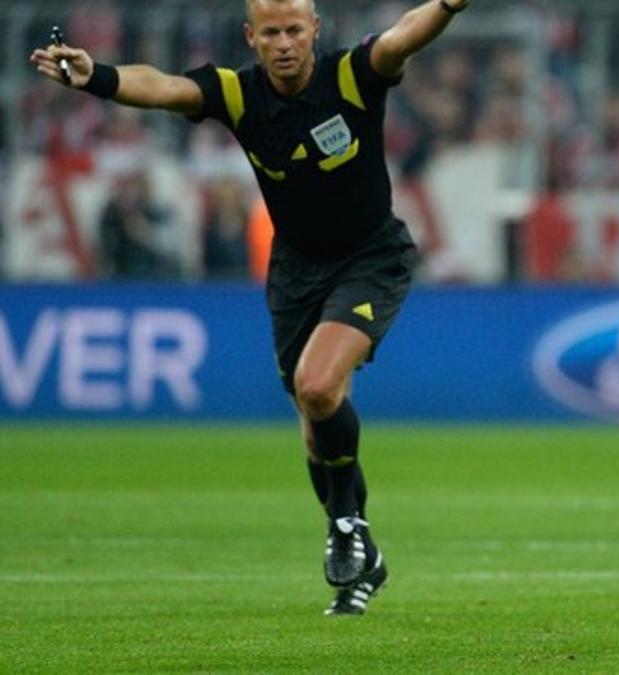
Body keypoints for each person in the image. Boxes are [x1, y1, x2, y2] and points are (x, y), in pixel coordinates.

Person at [31, 0, 472, 615]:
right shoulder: (237, 94)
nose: (285, 43)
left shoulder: (350, 76)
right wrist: (97, 76)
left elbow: (403, 38)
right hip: (295, 273)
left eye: (296, 29)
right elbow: (162, 87)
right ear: (252, 37)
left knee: (318, 388)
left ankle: (346, 524)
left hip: (371, 257)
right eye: (272, 33)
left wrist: (448, 5)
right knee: (316, 427)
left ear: (315, 30)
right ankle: (362, 553)